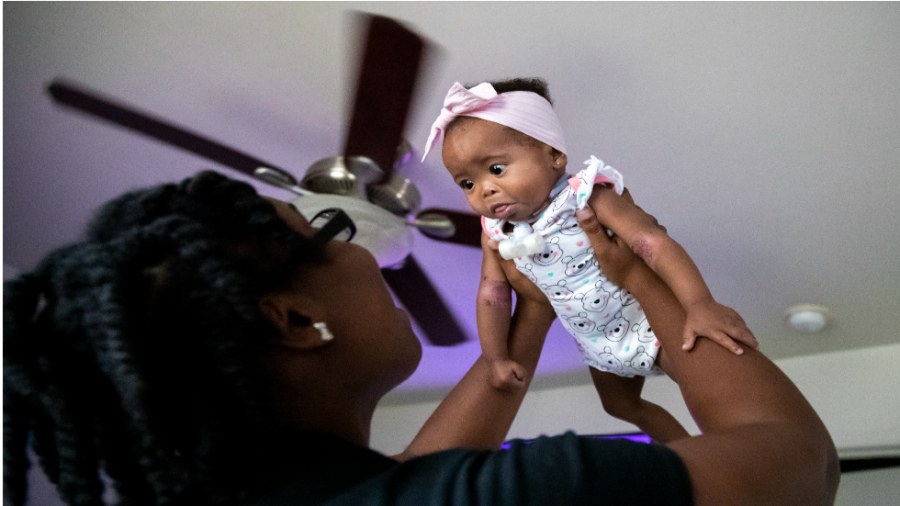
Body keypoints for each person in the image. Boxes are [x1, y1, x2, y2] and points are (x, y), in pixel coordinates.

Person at [1, 170, 838, 506]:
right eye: (327, 227)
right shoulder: (532, 494)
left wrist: (515, 344)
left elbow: (406, 482)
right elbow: (794, 459)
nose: (360, 247)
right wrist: (643, 277)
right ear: (293, 321)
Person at [421, 78, 759, 442]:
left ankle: (727, 459)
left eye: (497, 169)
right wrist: (495, 357)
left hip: (647, 322)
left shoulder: (585, 196)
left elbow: (651, 242)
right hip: (596, 341)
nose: (484, 189)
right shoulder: (496, 232)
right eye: (466, 184)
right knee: (620, 407)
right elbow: (492, 295)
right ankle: (682, 451)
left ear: (554, 156)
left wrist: (699, 302)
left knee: (703, 388)